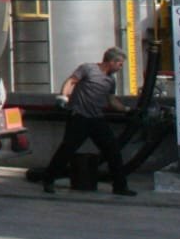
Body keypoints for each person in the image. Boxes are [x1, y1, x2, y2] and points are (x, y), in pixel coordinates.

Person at [39, 46, 136, 197]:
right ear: (111, 61)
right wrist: (63, 96)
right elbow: (71, 81)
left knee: (113, 151)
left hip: (97, 119)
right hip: (79, 117)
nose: (120, 67)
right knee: (67, 150)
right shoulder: (88, 69)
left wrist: (127, 110)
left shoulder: (111, 81)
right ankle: (49, 180)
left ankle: (120, 186)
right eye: (120, 64)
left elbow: (111, 101)